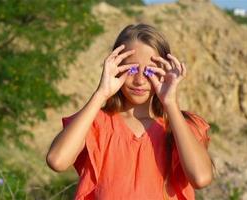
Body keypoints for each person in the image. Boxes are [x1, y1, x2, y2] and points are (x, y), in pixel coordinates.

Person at [46, 23, 214, 200]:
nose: (140, 80)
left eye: (150, 71)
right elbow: (57, 160)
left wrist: (170, 103)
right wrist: (101, 94)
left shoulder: (183, 126)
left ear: (164, 70)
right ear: (116, 67)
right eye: (132, 69)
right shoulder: (97, 122)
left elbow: (201, 178)